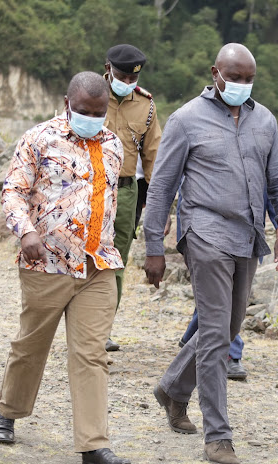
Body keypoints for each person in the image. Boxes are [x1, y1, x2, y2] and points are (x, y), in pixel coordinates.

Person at [143, 43, 278, 464]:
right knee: (215, 334)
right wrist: (153, 246)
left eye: (249, 79)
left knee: (227, 328)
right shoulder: (186, 119)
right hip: (204, 231)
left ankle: (172, 387)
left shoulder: (264, 120)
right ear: (215, 72)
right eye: (235, 77)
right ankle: (219, 436)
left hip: (248, 235)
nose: (241, 85)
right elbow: (162, 186)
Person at [0, 71, 131, 464]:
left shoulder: (112, 144)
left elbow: (110, 200)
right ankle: (8, 410)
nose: (91, 118)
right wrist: (27, 231)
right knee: (32, 344)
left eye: (99, 112)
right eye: (84, 111)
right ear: (67, 103)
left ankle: (94, 446)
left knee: (91, 354)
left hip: (98, 265)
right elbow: (13, 191)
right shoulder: (39, 138)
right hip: (46, 262)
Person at [177, 191, 278, 382]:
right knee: (219, 297)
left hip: (247, 231)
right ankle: (229, 352)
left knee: (224, 301)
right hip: (204, 228)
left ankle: (192, 338)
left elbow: (274, 181)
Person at [102, 44, 161, 352]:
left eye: (132, 77)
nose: (126, 81)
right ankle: (82, 324)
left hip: (127, 192)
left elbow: (154, 157)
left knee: (116, 261)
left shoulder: (146, 106)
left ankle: (102, 329)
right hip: (89, 189)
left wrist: (157, 205)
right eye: (121, 75)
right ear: (108, 67)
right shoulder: (90, 93)